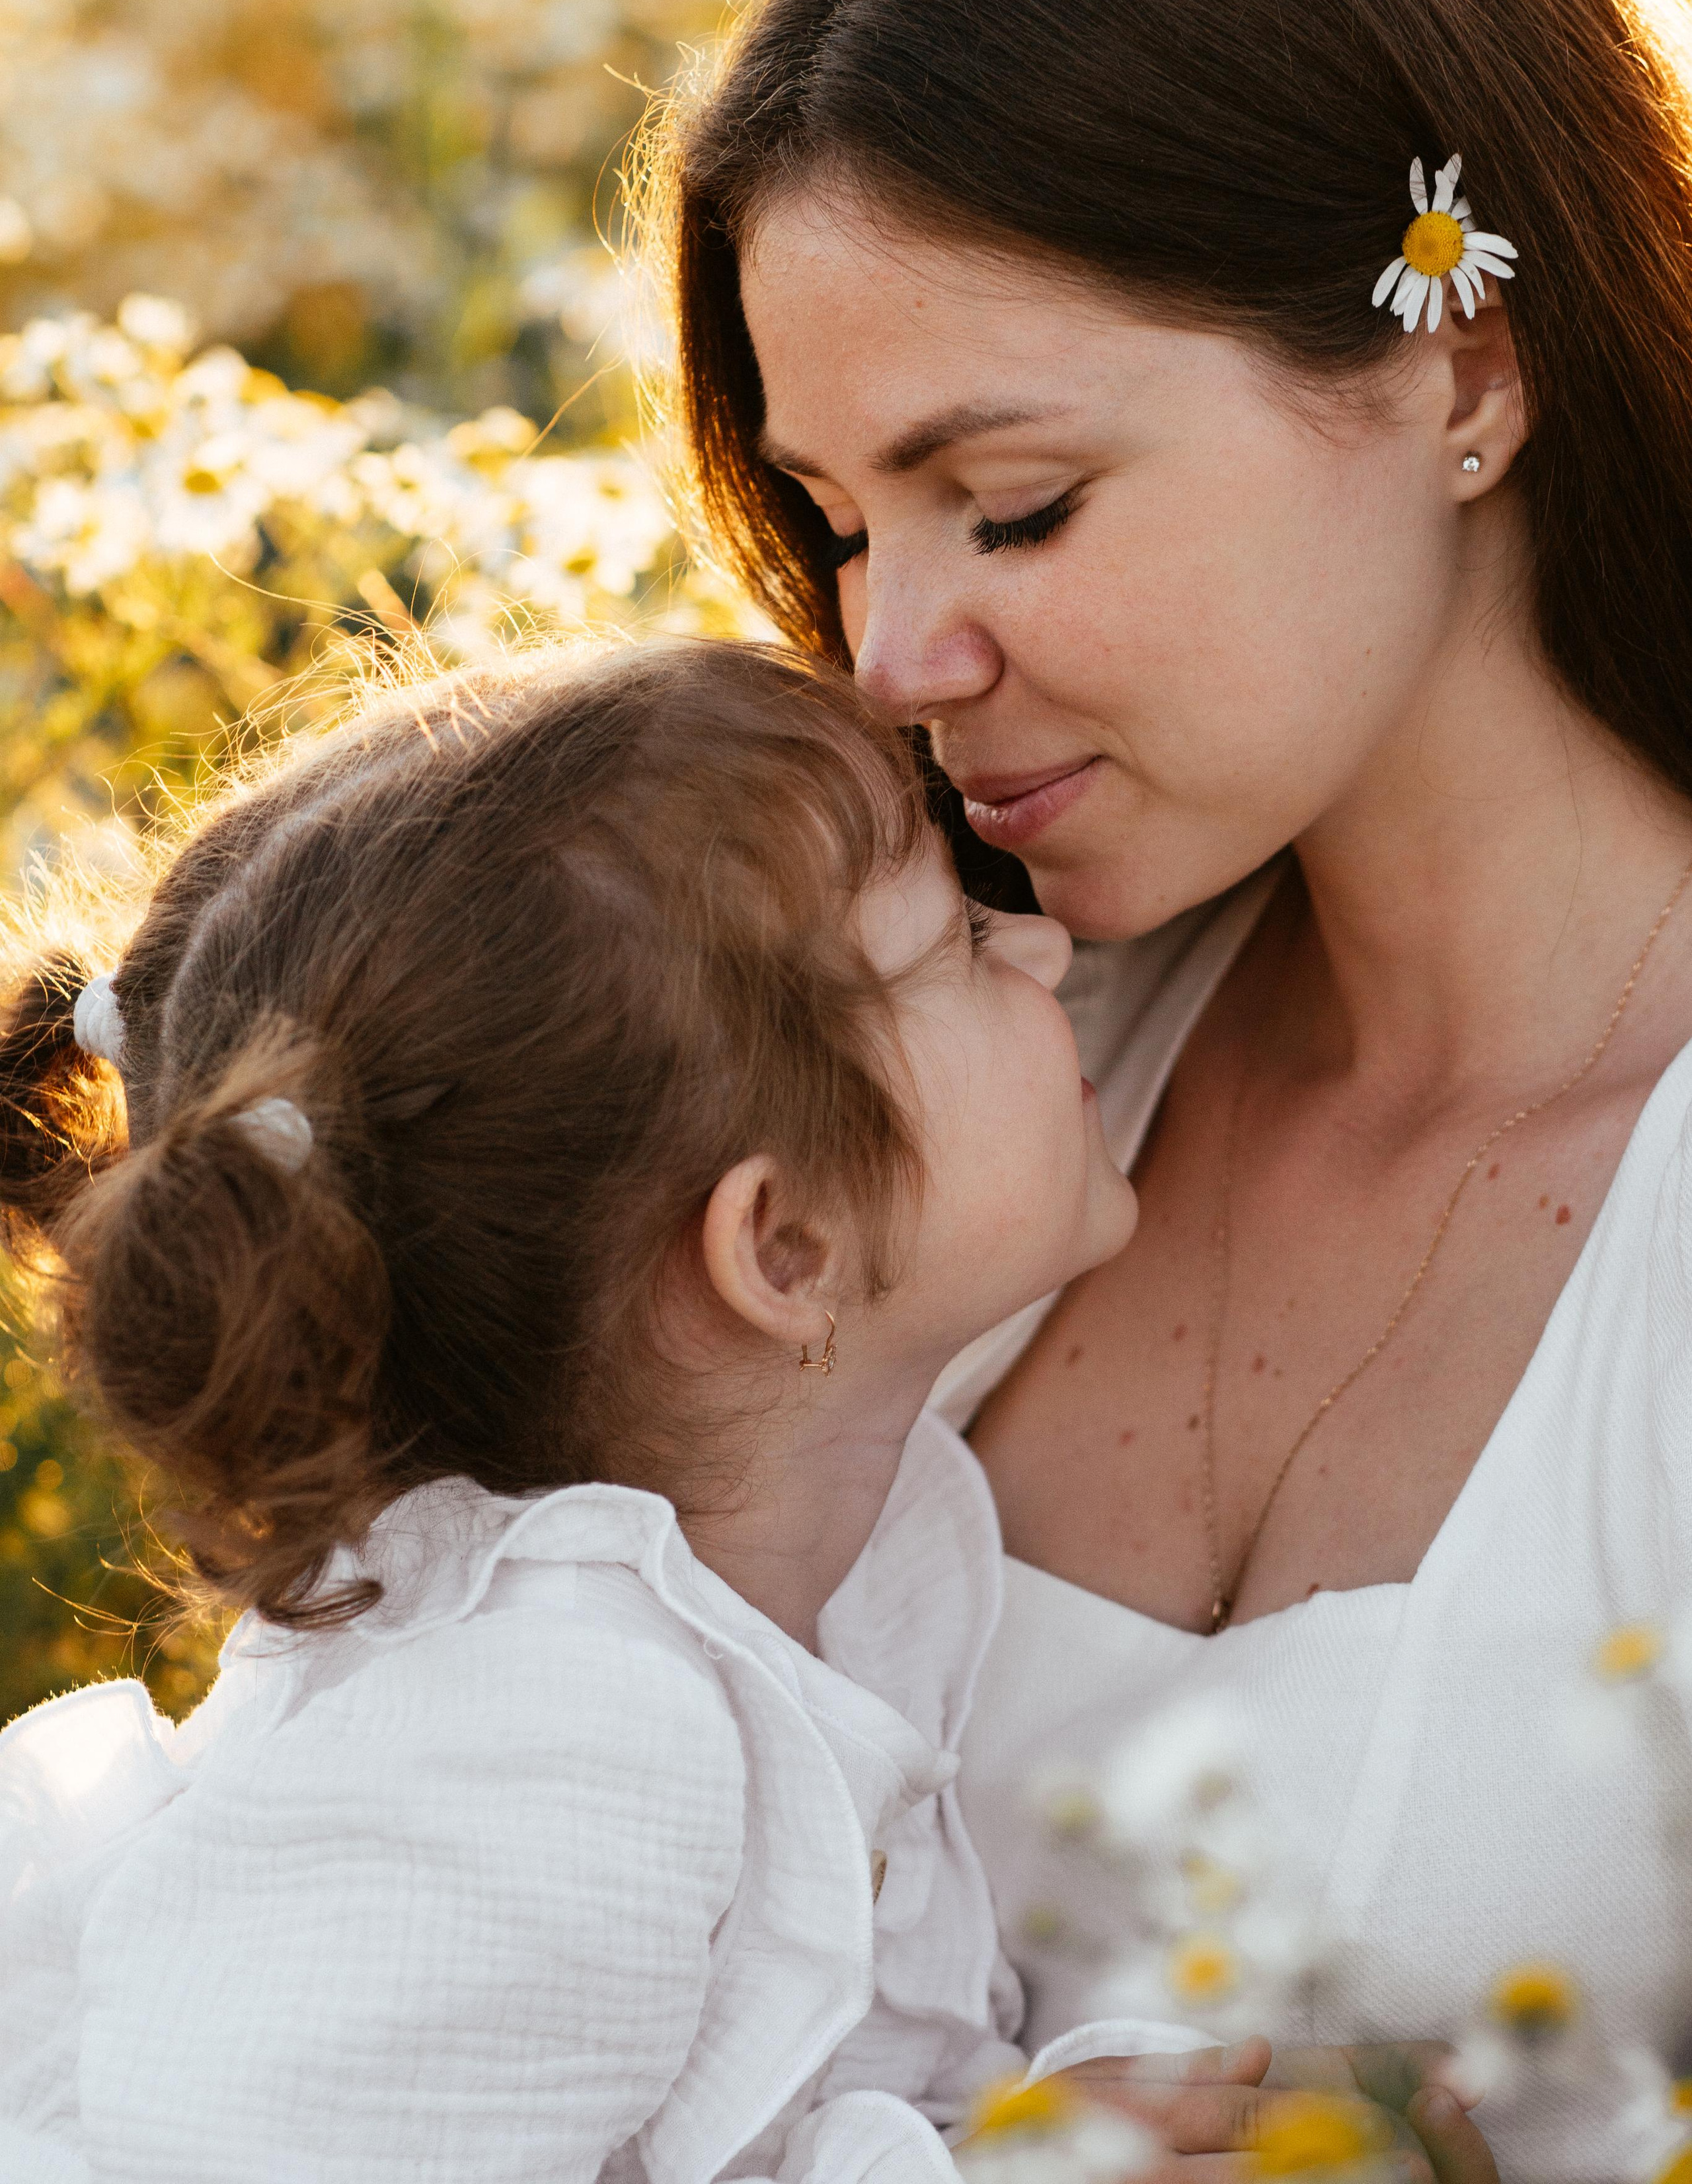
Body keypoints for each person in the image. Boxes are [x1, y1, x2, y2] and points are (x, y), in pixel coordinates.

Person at [656, 0, 1692, 2183]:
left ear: (1463, 368)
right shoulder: (932, 1053)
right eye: (839, 520)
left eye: (1006, 503)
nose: (893, 650)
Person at [0, 637, 1254, 2184]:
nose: (1047, 955)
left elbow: (753, 2101)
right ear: (780, 1246)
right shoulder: (546, 1735)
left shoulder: (838, 1563)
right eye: (954, 949)